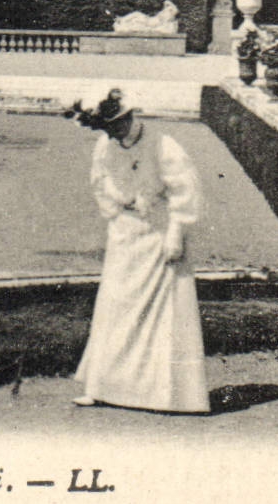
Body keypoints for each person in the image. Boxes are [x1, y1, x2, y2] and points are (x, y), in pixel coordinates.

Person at [66, 90, 209, 413]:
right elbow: (99, 182)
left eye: (117, 124)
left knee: (163, 313)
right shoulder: (105, 146)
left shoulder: (164, 146)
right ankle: (103, 387)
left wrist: (176, 233)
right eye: (106, 128)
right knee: (115, 306)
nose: (113, 133)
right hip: (125, 234)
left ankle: (163, 395)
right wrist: (118, 209)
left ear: (129, 116)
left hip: (159, 235)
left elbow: (186, 190)